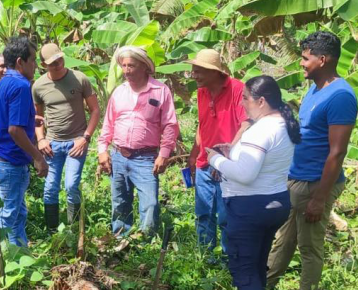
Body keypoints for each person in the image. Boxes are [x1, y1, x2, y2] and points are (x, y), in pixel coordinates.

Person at [267, 31, 358, 290]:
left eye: (305, 59)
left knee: (309, 245)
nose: (301, 64)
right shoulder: (315, 89)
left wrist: (319, 199)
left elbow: (337, 152)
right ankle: (264, 287)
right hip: (298, 179)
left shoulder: (340, 96)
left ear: (323, 59)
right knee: (284, 238)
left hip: (316, 182)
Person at [206, 75, 300, 290]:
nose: (243, 104)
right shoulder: (284, 124)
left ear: (261, 101)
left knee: (244, 266)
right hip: (276, 202)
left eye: (245, 99)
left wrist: (214, 159)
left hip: (250, 207)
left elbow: (245, 174)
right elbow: (259, 162)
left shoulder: (260, 130)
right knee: (257, 261)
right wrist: (232, 152)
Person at [98, 46, 178, 237]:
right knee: (119, 202)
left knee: (150, 203)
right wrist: (102, 150)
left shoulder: (160, 91)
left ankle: (145, 242)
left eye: (131, 66)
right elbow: (108, 123)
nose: (126, 70)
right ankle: (120, 240)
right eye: (124, 66)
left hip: (146, 157)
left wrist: (164, 154)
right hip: (118, 155)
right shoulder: (119, 92)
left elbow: (170, 125)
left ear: (144, 66)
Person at [0, 36, 48, 247]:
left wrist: (30, 120)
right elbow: (14, 130)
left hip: (0, 159)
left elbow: (4, 122)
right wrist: (38, 157)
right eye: (32, 60)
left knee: (17, 213)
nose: (36, 66)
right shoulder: (21, 86)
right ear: (21, 62)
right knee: (8, 215)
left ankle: (19, 255)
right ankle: (0, 259)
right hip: (10, 161)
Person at [187, 49, 249, 253]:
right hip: (205, 161)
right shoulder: (201, 91)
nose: (193, 75)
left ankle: (227, 258)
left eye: (198, 71)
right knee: (203, 212)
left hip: (227, 165)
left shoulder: (237, 89)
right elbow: (203, 124)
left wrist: (227, 158)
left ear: (214, 71)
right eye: (193, 70)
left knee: (226, 216)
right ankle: (205, 256)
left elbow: (246, 124)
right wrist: (194, 153)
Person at [33, 43, 100, 232]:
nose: (58, 64)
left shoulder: (80, 79)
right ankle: (52, 232)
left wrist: (85, 137)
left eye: (60, 60)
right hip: (52, 143)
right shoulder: (39, 86)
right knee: (50, 188)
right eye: (52, 63)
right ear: (43, 64)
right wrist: (41, 139)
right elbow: (38, 118)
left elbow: (95, 110)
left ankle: (74, 229)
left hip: (76, 141)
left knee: (71, 185)